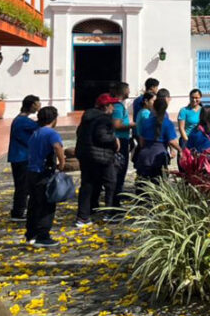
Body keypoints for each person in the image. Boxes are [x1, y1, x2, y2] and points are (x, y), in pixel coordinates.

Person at [75, 93, 120, 227]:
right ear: (106, 106)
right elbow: (102, 137)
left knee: (88, 185)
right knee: (110, 182)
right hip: (101, 156)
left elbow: (79, 132)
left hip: (85, 154)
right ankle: (109, 212)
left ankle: (83, 216)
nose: (113, 108)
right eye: (112, 105)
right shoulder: (104, 119)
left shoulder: (87, 117)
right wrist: (115, 140)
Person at [25, 106, 65, 248]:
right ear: (54, 119)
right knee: (47, 204)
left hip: (31, 171)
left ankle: (31, 234)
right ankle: (43, 235)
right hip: (44, 172)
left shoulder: (35, 133)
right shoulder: (51, 133)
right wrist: (62, 163)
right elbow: (57, 147)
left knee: (33, 203)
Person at [8, 94, 41, 220]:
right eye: (38, 104)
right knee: (22, 186)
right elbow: (41, 125)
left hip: (19, 157)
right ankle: (19, 211)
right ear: (32, 105)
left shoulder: (20, 120)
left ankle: (19, 210)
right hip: (21, 157)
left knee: (21, 186)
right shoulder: (23, 122)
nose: (39, 107)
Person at [135, 94, 179, 187]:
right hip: (159, 157)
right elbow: (172, 141)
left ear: (153, 108)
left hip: (145, 157)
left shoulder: (146, 122)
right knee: (158, 187)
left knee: (143, 188)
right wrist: (181, 150)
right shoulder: (168, 123)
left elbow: (141, 141)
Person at [110, 81, 135, 209]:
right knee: (119, 170)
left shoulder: (120, 105)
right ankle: (114, 203)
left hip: (123, 139)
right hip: (119, 141)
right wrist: (133, 125)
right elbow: (117, 124)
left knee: (121, 171)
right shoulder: (118, 107)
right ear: (123, 91)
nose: (130, 92)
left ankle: (118, 196)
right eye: (128, 89)